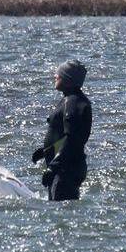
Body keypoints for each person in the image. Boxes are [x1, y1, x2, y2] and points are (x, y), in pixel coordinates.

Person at [31, 60, 92, 202]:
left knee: (60, 210)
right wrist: (45, 151)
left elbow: (71, 139)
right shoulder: (71, 100)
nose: (55, 76)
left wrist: (53, 167)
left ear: (68, 79)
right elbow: (64, 137)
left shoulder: (73, 103)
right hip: (64, 167)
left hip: (66, 169)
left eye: (59, 74)